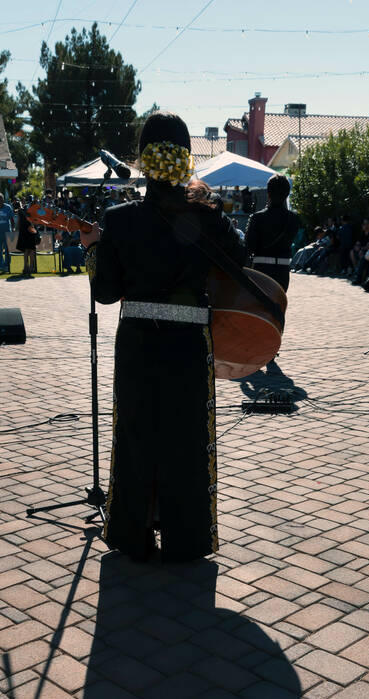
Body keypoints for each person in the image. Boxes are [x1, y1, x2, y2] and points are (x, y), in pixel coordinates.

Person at [80, 110, 245, 562]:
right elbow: (239, 263)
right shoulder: (208, 216)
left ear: (142, 160)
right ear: (185, 160)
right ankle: (186, 540)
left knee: (136, 437)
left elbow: (107, 293)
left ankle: (133, 536)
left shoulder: (118, 219)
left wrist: (94, 248)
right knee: (187, 440)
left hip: (136, 345)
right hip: (189, 346)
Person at [245, 174, 301, 296]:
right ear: (287, 194)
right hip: (283, 271)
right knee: (278, 307)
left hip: (261, 270)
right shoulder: (294, 218)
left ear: (268, 193)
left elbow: (249, 246)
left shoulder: (257, 218)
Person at [15, 201, 39, 276]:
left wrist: (17, 229)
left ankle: (27, 267)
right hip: (29, 231)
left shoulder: (21, 211)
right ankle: (29, 267)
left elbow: (19, 222)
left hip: (26, 231)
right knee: (30, 250)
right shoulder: (29, 211)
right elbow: (35, 222)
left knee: (27, 250)